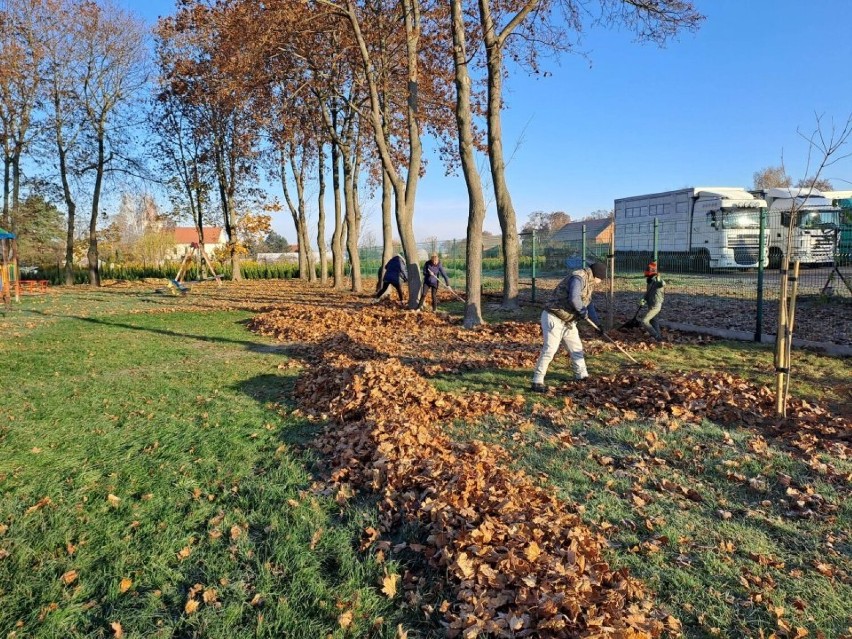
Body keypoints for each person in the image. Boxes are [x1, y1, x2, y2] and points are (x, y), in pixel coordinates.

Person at [530, 261, 606, 392]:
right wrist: (581, 311)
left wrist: (597, 324)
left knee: (576, 349)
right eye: (602, 279)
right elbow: (574, 298)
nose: (601, 281)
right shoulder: (578, 277)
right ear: (597, 275)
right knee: (550, 350)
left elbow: (589, 304)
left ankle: (582, 376)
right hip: (553, 317)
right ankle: (537, 381)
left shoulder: (589, 282)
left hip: (569, 321)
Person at [638, 261, 666, 341]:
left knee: (644, 321)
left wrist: (659, 279)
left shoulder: (657, 282)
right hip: (651, 304)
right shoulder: (649, 282)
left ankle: (656, 336)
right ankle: (658, 338)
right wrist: (643, 299)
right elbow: (648, 293)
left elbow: (663, 283)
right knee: (654, 321)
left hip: (656, 305)